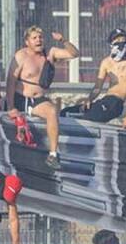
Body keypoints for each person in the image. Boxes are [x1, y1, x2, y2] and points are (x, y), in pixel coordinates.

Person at [6, 26, 79, 170]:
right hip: (22, 98)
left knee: (52, 111)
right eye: (34, 38)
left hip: (39, 100)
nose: (38, 40)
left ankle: (53, 154)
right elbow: (10, 82)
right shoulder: (21, 56)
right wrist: (11, 107)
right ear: (27, 42)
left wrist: (63, 40)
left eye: (40, 37)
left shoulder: (50, 54)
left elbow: (74, 54)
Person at [76, 28, 126, 128]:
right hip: (105, 100)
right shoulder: (106, 62)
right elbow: (98, 87)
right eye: (117, 41)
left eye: (123, 41)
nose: (121, 44)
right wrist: (89, 99)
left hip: (116, 102)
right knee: (69, 112)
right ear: (111, 44)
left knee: (87, 118)